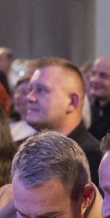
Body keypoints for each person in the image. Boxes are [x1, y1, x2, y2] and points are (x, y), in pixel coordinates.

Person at [24, 57, 102, 188]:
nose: (30, 97)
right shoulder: (22, 150)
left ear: (72, 102)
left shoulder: (94, 158)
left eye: (41, 90)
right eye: (30, 89)